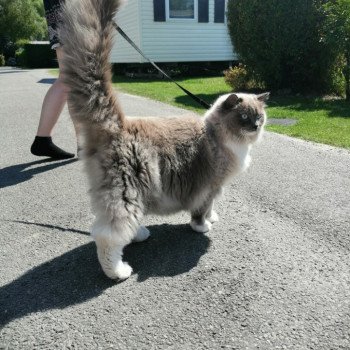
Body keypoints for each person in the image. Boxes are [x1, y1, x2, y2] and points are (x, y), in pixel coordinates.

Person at [30, 0, 79, 159]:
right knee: (70, 78)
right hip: (68, 11)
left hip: (63, 10)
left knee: (70, 79)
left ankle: (43, 140)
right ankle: (85, 145)